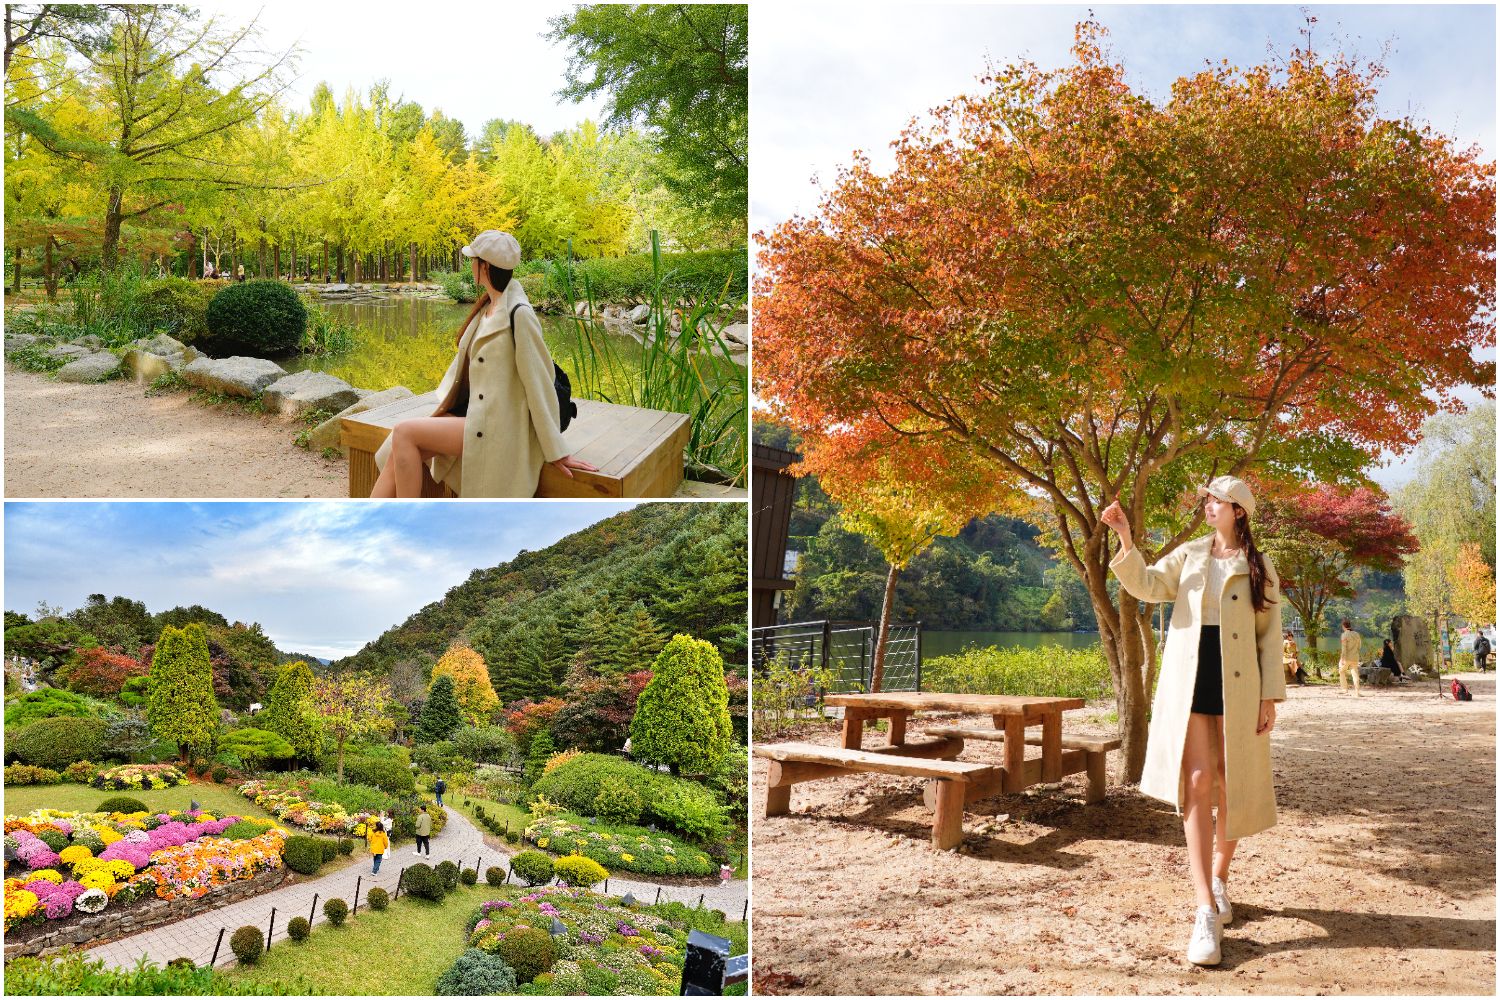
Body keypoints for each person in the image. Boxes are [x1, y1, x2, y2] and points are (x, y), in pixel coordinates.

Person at [1101, 475, 1285, 968]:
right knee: (1198, 782)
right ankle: (1204, 906)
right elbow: (1145, 584)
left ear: (1238, 511)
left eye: (1217, 501)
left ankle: (1220, 878)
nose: (1207, 506)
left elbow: (1269, 637)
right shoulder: (1189, 555)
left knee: (1232, 781)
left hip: (1240, 683)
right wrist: (1125, 538)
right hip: (1191, 679)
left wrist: (1271, 695)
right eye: (1206, 499)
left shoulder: (1260, 567)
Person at [369, 230, 597, 498]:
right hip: (473, 414)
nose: (470, 265)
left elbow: (539, 383)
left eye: (473, 260)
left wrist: (556, 450)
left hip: (498, 427)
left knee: (405, 432)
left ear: (484, 266)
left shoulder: (518, 314)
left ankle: (408, 520)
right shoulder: (489, 306)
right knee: (399, 445)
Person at [1338, 620, 1363, 696]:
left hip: (1346, 658)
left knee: (1341, 671)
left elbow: (1344, 648)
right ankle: (1357, 692)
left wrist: (1342, 659)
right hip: (1355, 657)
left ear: (1343, 626)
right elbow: (1359, 646)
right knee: (1355, 673)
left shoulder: (1344, 635)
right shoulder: (1356, 634)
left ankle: (1344, 689)